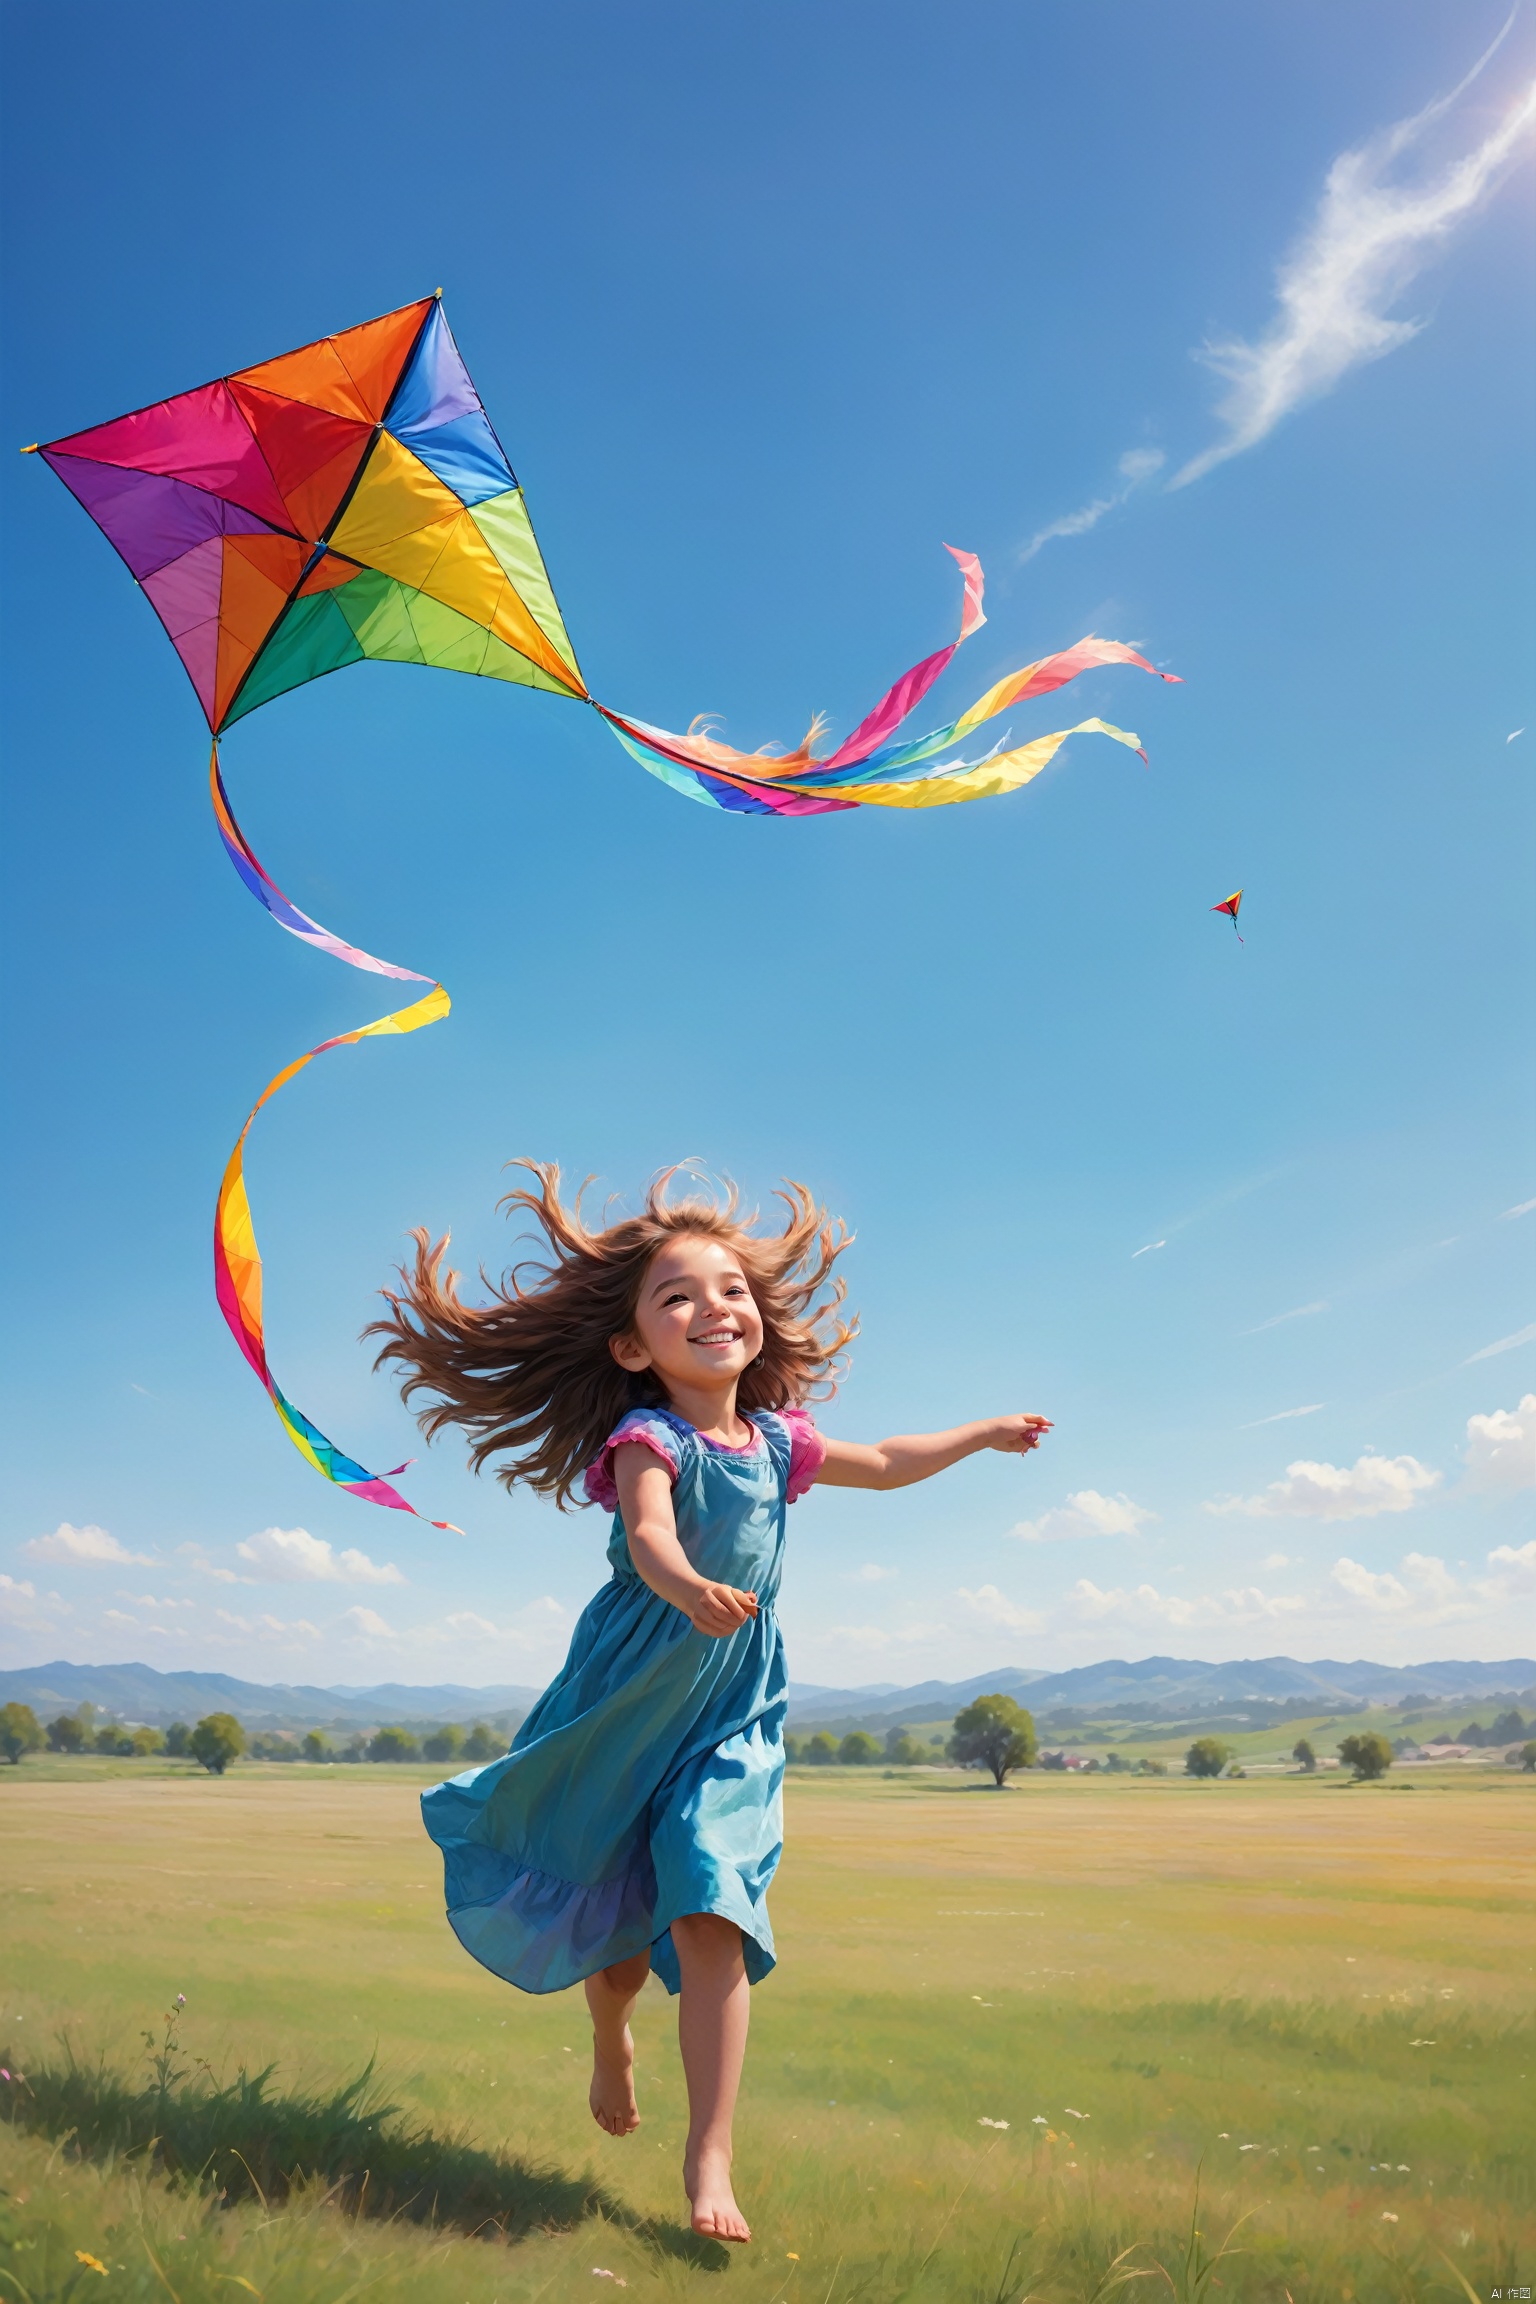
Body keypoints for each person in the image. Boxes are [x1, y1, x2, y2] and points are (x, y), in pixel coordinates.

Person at [368, 1164, 1050, 2243]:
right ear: (634, 1345)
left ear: (756, 1321)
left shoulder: (781, 1442)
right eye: (676, 1295)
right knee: (617, 1914)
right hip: (630, 1695)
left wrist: (980, 1434)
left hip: (734, 1703)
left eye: (729, 1288)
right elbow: (647, 1535)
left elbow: (881, 1459)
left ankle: (711, 2156)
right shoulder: (650, 1441)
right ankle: (611, 2037)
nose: (711, 1307)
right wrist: (687, 1586)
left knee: (711, 1898)